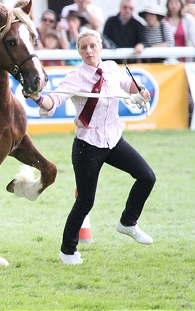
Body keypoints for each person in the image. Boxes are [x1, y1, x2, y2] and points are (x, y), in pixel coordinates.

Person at [27, 29, 156, 265]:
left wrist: (141, 92)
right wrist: (37, 98)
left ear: (100, 47)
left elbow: (128, 84)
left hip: (114, 140)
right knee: (85, 201)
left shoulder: (111, 68)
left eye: (92, 46)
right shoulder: (75, 77)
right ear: (78, 51)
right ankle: (67, 252)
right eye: (83, 47)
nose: (88, 51)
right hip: (87, 146)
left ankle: (127, 223)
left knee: (147, 177)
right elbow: (52, 101)